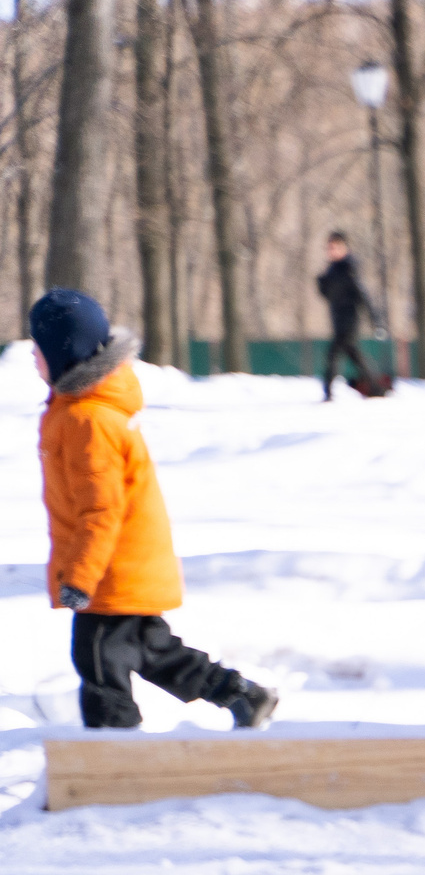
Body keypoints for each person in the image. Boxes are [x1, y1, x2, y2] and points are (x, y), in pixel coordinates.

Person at [33, 288, 278, 731]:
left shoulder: (88, 421)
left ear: (62, 353)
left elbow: (101, 509)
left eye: (39, 349)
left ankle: (114, 746)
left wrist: (81, 579)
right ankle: (241, 694)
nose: (33, 359)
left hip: (111, 572)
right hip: (124, 564)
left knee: (99, 657)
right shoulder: (79, 410)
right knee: (151, 650)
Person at [315, 232, 379, 400]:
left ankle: (328, 392)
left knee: (333, 354)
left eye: (335, 247)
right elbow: (330, 296)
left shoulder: (349, 268)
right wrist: (322, 284)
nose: (331, 251)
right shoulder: (332, 269)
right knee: (354, 355)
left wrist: (375, 319)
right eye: (329, 248)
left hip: (349, 320)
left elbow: (361, 294)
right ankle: (375, 387)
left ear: (344, 248)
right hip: (337, 320)